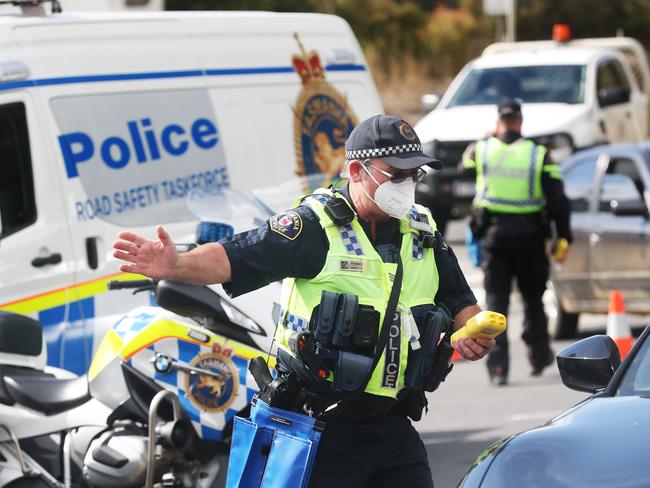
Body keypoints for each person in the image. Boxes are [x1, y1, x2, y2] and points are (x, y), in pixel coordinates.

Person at [113, 114, 495, 488]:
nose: (407, 184)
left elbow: (458, 298)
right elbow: (237, 256)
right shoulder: (314, 227)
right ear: (356, 171)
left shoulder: (422, 229)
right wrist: (177, 264)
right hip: (321, 428)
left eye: (415, 174)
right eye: (396, 174)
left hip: (393, 425)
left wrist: (472, 331)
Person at [461, 98, 572, 386]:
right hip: (531, 237)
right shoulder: (538, 153)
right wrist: (564, 234)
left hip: (494, 238)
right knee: (534, 299)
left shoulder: (481, 149)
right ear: (520, 122)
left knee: (496, 304)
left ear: (499, 121)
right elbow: (558, 199)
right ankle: (538, 354)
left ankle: (498, 368)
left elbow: (463, 169)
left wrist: (485, 139)